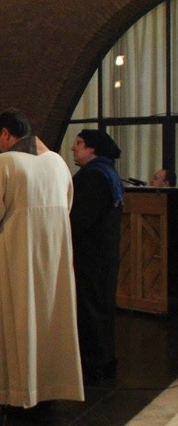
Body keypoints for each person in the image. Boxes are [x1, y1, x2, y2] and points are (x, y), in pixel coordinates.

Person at [0, 108, 84, 409]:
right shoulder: (57, 162)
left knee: (19, 316)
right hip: (53, 255)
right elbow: (67, 204)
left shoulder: (4, 162)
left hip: (17, 251)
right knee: (49, 316)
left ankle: (19, 392)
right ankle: (50, 386)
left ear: (6, 133)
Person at [70, 129, 124, 384]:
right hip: (101, 256)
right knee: (99, 310)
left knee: (91, 311)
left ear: (93, 148)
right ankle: (102, 362)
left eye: (79, 143)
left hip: (91, 257)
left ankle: (95, 367)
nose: (73, 147)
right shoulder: (106, 173)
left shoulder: (95, 176)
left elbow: (80, 219)